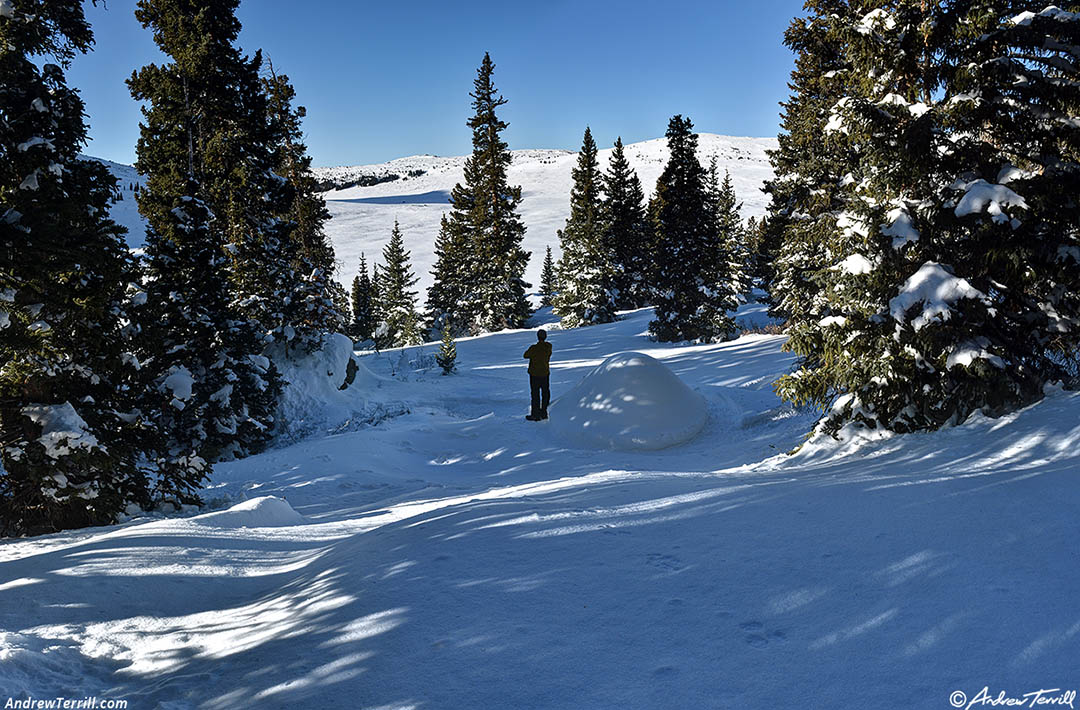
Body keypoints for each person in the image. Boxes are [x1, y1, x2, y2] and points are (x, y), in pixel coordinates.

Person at [523, 329, 552, 421]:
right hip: (545, 373)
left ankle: (535, 414)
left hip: (534, 374)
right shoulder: (548, 347)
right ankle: (544, 412)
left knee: (535, 394)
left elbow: (525, 355)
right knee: (545, 393)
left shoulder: (533, 348)